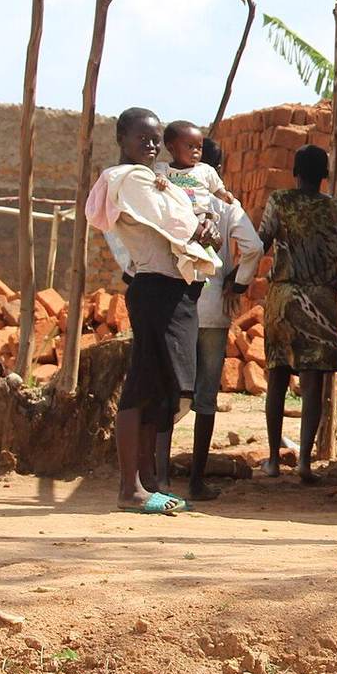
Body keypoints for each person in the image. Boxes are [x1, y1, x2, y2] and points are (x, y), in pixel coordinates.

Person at [84, 107, 220, 514]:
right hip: (156, 290)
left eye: (155, 138)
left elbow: (187, 216)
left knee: (161, 391)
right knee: (142, 387)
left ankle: (146, 482)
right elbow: (174, 221)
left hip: (174, 291)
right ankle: (131, 487)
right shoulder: (130, 180)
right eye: (141, 137)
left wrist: (202, 223)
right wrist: (201, 227)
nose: (149, 144)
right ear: (121, 139)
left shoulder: (152, 178)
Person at [259, 144, 337, 482]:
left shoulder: (279, 201)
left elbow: (261, 241)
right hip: (321, 302)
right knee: (314, 384)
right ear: (325, 176)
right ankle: (303, 462)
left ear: (295, 173)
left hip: (283, 298)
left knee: (277, 376)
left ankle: (272, 459)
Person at [185, 136, 262, 501]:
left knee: (171, 389)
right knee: (205, 397)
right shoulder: (226, 203)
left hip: (177, 306)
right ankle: (196, 481)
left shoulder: (171, 195)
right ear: (219, 170)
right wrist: (238, 283)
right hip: (214, 307)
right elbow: (255, 248)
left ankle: (156, 475)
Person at [157, 119, 235, 208]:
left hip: (202, 216)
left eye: (199, 147)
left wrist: (225, 195)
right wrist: (161, 179)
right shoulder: (164, 168)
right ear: (171, 148)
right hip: (175, 215)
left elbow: (217, 190)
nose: (196, 152)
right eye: (190, 147)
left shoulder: (206, 170)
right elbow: (159, 176)